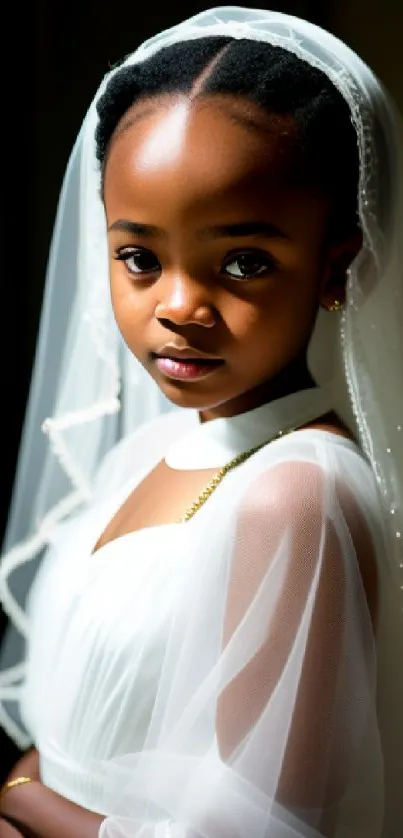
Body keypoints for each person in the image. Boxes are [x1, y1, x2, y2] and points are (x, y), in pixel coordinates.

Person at [0, 6, 402, 837]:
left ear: (337, 266)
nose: (179, 307)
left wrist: (22, 800)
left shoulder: (295, 495)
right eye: (139, 257)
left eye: (243, 262)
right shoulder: (152, 449)